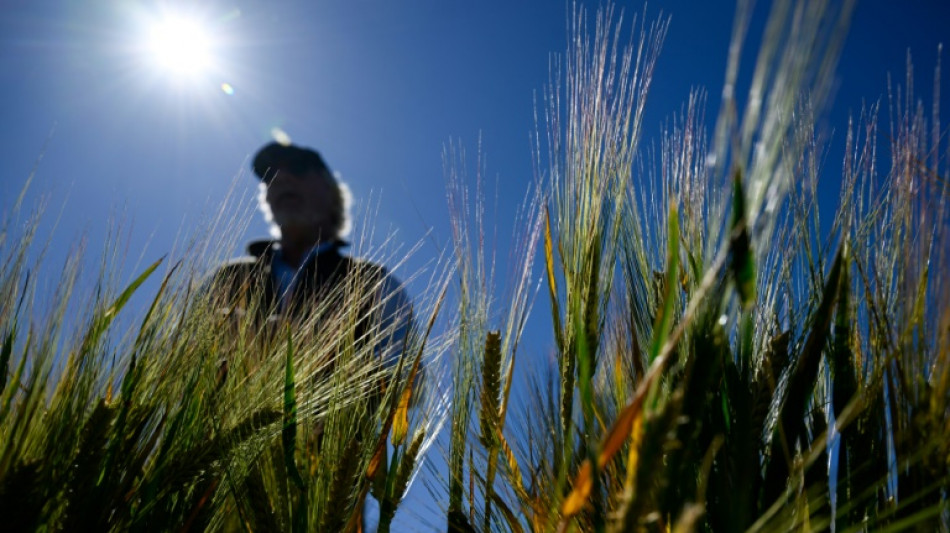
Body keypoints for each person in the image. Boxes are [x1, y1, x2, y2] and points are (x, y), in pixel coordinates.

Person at [210, 141, 413, 368]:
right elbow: (181, 359)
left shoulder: (374, 282)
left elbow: (407, 376)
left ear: (332, 192)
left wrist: (315, 355)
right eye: (270, 176)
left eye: (298, 167)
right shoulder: (226, 278)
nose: (281, 177)